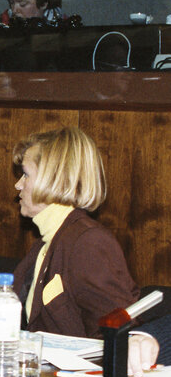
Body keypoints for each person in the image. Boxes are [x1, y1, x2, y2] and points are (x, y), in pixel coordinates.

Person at [11, 127, 139, 338]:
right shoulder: (46, 242)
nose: (18, 185)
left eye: (25, 175)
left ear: (55, 179)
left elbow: (117, 336)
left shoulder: (88, 242)